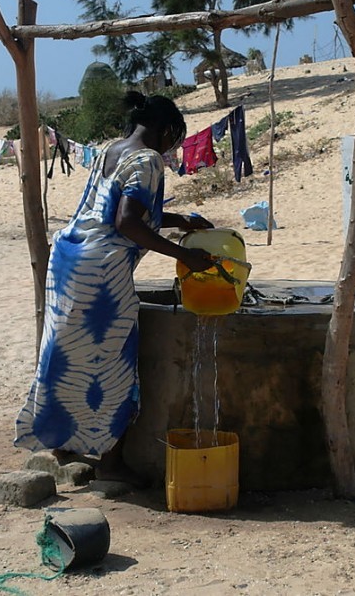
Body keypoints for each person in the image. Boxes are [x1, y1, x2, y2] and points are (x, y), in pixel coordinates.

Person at [14, 90, 213, 483]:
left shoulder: (111, 150)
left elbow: (110, 211)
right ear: (168, 130)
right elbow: (126, 223)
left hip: (68, 260)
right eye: (175, 139)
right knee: (115, 366)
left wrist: (180, 220)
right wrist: (185, 256)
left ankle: (63, 445)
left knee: (65, 357)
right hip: (102, 274)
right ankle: (111, 463)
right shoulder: (149, 159)